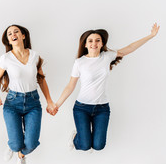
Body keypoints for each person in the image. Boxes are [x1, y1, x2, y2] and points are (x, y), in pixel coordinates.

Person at [54, 23, 160, 152]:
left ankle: (84, 136)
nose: (94, 43)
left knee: (98, 146)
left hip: (102, 108)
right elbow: (70, 86)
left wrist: (150, 36)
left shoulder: (107, 56)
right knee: (85, 145)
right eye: (91, 41)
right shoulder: (80, 62)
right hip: (82, 108)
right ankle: (76, 137)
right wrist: (57, 105)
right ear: (85, 44)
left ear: (102, 43)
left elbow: (130, 48)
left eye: (98, 40)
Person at [0, 24, 57, 164]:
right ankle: (12, 147)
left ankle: (21, 155)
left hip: (33, 103)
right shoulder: (5, 58)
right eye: (9, 33)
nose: (13, 34)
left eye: (16, 32)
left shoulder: (35, 56)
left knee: (32, 143)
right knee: (15, 144)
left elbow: (41, 79)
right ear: (8, 40)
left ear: (23, 36)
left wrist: (50, 101)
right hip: (12, 103)